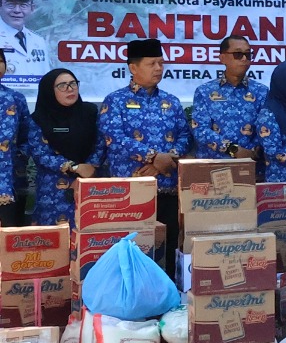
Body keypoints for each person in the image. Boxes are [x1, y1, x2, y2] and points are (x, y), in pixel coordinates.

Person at [98, 39, 192, 269]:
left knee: (168, 251)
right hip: (130, 194)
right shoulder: (115, 101)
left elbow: (186, 137)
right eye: (152, 63)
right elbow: (114, 139)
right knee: (133, 253)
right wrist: (152, 157)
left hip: (167, 192)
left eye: (161, 63)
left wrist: (163, 161)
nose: (159, 68)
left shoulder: (171, 101)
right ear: (133, 67)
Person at [24, 69, 100, 227]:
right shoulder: (38, 119)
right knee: (55, 242)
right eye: (62, 85)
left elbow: (101, 142)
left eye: (73, 83)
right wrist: (75, 167)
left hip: (91, 181)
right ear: (49, 91)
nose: (70, 89)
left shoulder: (90, 112)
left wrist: (90, 167)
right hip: (53, 188)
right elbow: (40, 153)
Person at [189, 36, 270, 163]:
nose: (244, 59)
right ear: (222, 58)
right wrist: (233, 149)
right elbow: (200, 130)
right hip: (212, 166)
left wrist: (251, 152)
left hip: (250, 165)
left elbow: (266, 128)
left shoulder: (261, 91)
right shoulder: (204, 91)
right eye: (238, 54)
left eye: (248, 55)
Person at [0, 0, 48, 74]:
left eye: (23, 5)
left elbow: (45, 79)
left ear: (32, 8)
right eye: (10, 4)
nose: (17, 10)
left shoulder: (38, 41)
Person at [0, 49, 27, 227]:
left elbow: (27, 136)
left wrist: (18, 159)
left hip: (8, 184)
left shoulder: (15, 98)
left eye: (0, 60)